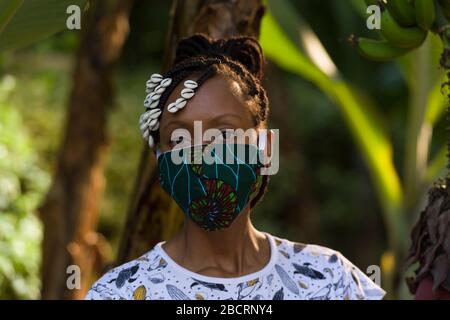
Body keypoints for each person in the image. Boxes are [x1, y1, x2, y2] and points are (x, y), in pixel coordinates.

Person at [85, 34, 385, 300]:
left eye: (224, 134)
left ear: (266, 149)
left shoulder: (331, 281)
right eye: (179, 138)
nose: (202, 152)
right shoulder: (119, 293)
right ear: (159, 160)